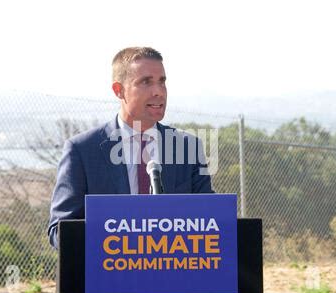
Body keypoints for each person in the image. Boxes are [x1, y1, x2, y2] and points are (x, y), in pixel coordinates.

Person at [48, 47, 214, 248]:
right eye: (146, 82)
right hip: (109, 275)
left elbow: (210, 222)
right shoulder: (82, 151)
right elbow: (59, 231)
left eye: (162, 81)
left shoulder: (188, 148)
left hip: (175, 275)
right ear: (119, 90)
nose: (158, 91)